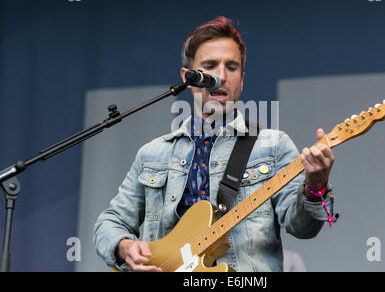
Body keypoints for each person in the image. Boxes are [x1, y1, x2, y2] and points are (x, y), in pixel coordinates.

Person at [93, 16, 336, 272]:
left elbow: (303, 227)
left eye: (231, 67)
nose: (220, 77)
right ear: (188, 77)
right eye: (210, 66)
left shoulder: (274, 146)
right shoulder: (152, 154)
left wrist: (316, 186)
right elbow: (110, 222)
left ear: (242, 79)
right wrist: (125, 246)